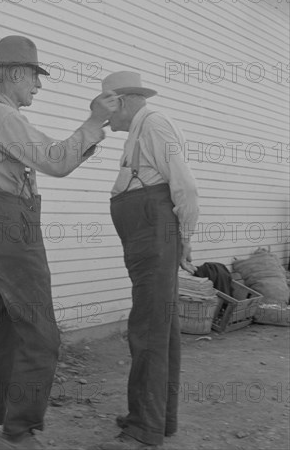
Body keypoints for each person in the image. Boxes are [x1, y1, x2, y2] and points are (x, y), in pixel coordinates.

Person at [0, 35, 119, 450]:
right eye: (34, 76)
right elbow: (55, 160)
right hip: (11, 223)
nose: (38, 85)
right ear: (14, 73)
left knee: (0, 330)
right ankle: (19, 430)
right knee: (41, 333)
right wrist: (92, 123)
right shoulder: (2, 116)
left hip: (0, 221)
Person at [93, 72, 199, 450]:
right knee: (161, 326)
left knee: (148, 328)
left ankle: (143, 430)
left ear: (121, 101)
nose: (110, 122)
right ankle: (158, 418)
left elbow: (184, 186)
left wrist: (185, 237)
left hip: (154, 234)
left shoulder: (153, 125)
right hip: (147, 237)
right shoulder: (141, 131)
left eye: (110, 112)